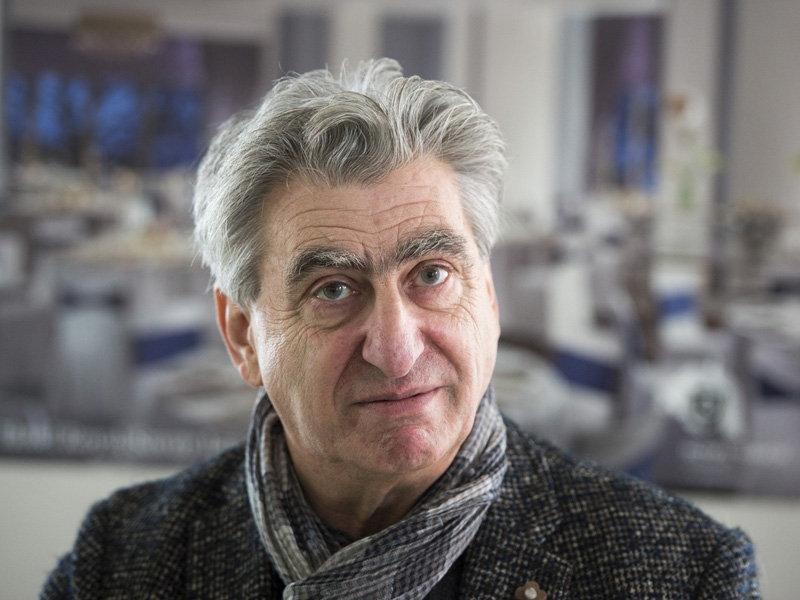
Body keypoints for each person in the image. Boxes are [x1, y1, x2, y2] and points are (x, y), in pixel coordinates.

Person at [41, 58, 760, 599]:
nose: (396, 349)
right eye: (332, 289)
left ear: (490, 298)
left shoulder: (685, 574)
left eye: (432, 275)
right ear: (242, 336)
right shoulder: (119, 565)